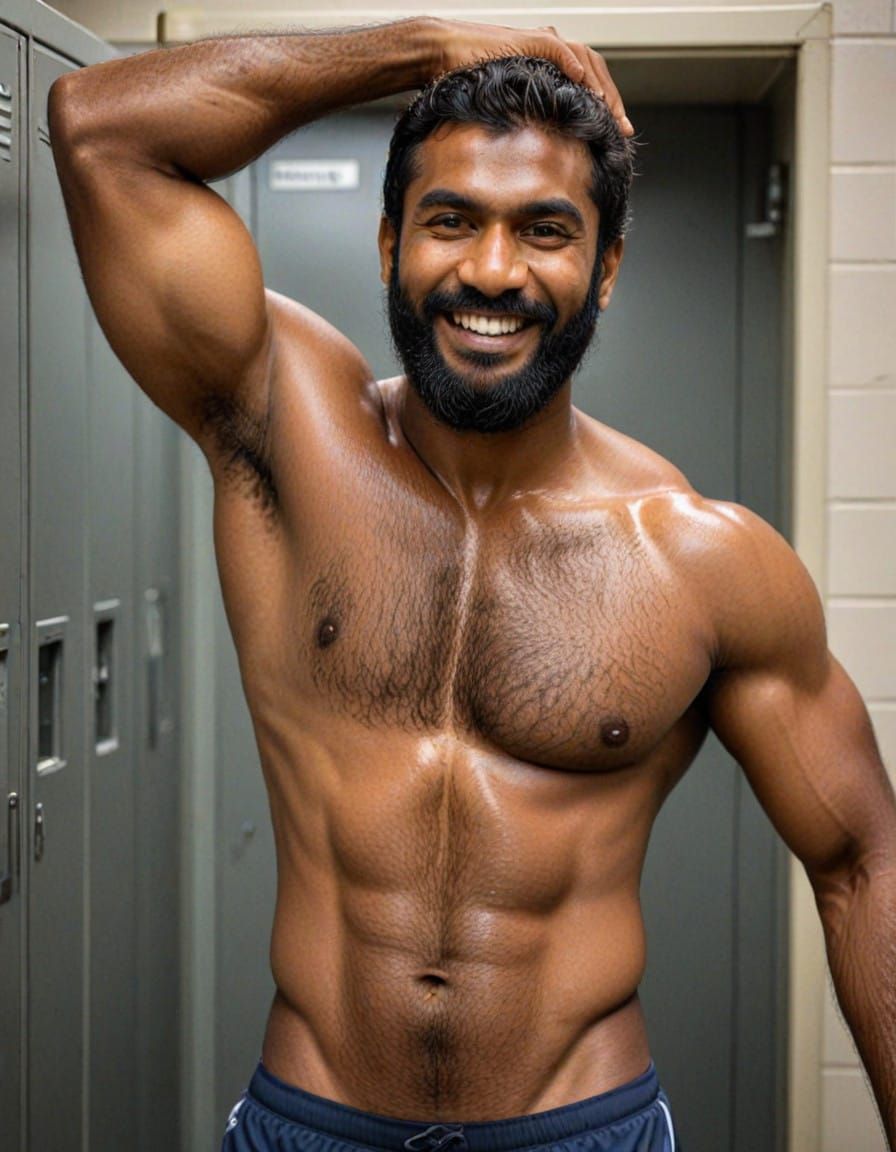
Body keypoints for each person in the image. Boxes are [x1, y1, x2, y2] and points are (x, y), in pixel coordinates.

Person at [47, 16, 895, 1152]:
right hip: (312, 1120)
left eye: (543, 230)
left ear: (604, 265)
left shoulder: (701, 559)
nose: (491, 272)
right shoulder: (285, 429)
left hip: (578, 1127)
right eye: (451, 221)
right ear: (391, 238)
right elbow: (97, 126)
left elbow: (860, 864)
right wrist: (416, 48)